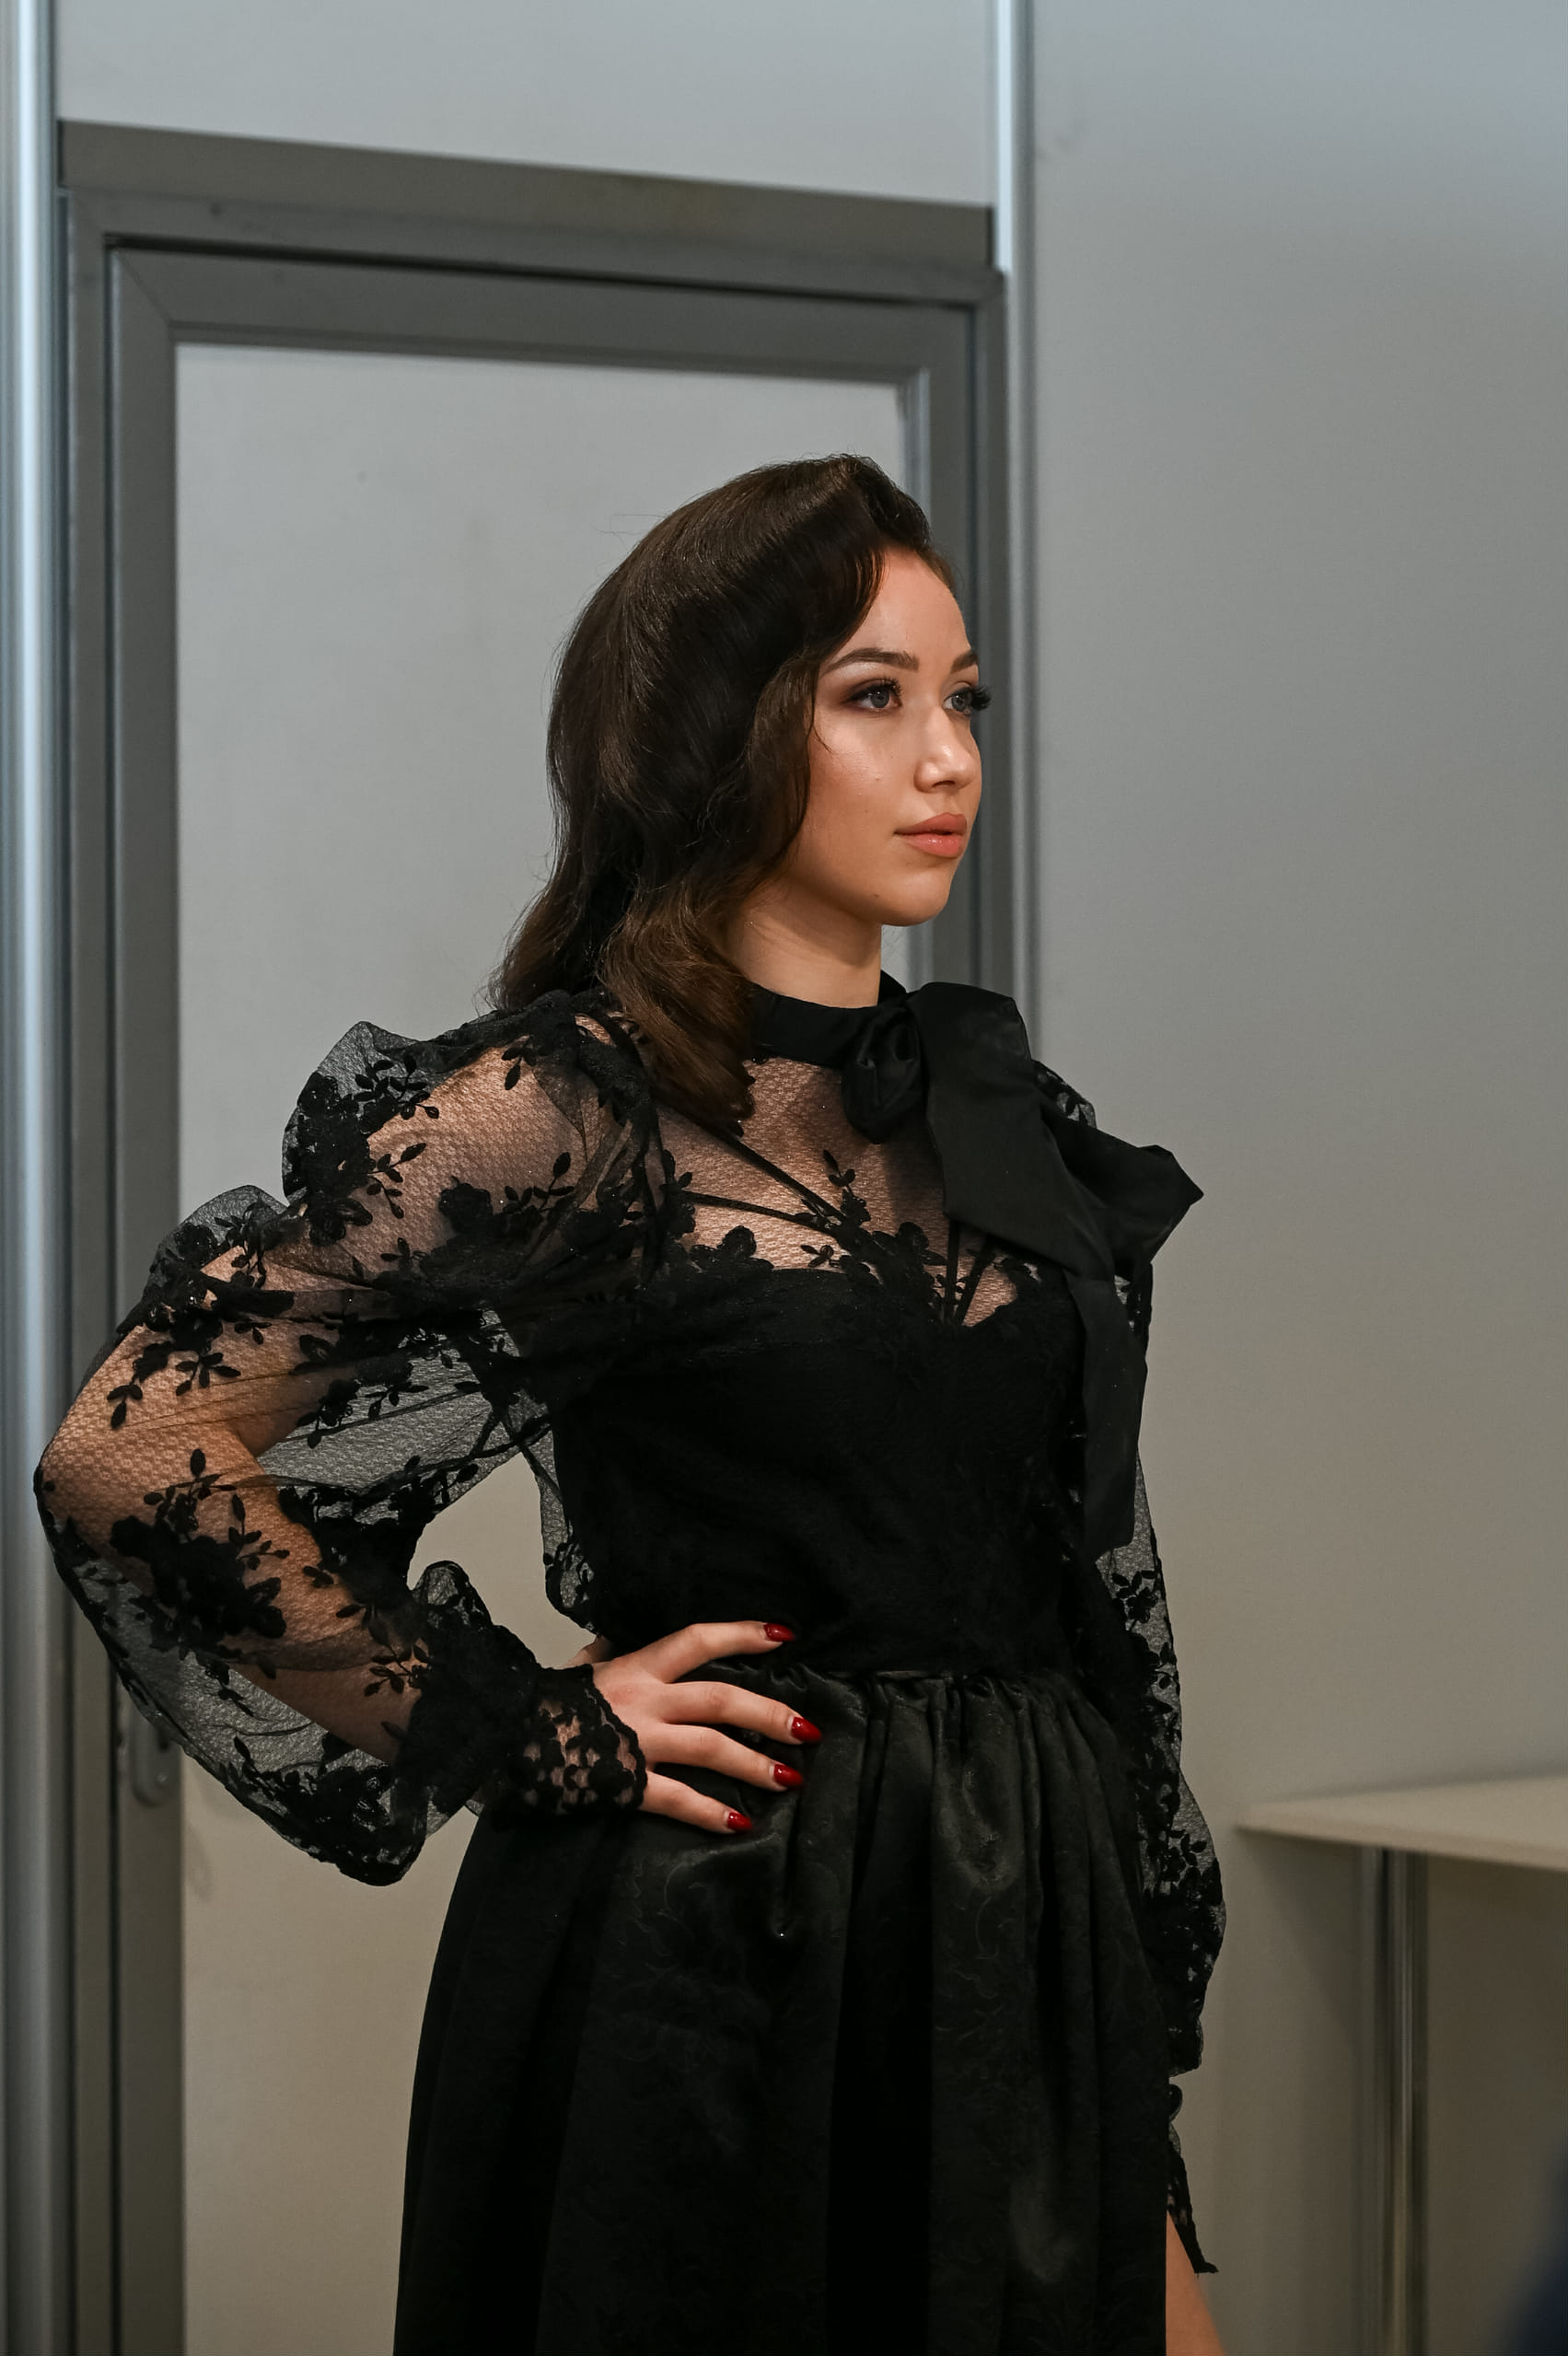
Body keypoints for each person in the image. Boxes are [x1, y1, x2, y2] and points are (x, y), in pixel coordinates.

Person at [37, 456, 1225, 2354]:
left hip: (1017, 1933)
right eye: (873, 696)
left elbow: (1092, 1591)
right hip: (717, 1955)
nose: (950, 758)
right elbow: (130, 1447)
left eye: (965, 697)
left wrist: (1127, 2059)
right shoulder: (566, 1105)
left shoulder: (995, 1106)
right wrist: (523, 1725)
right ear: (720, 728)